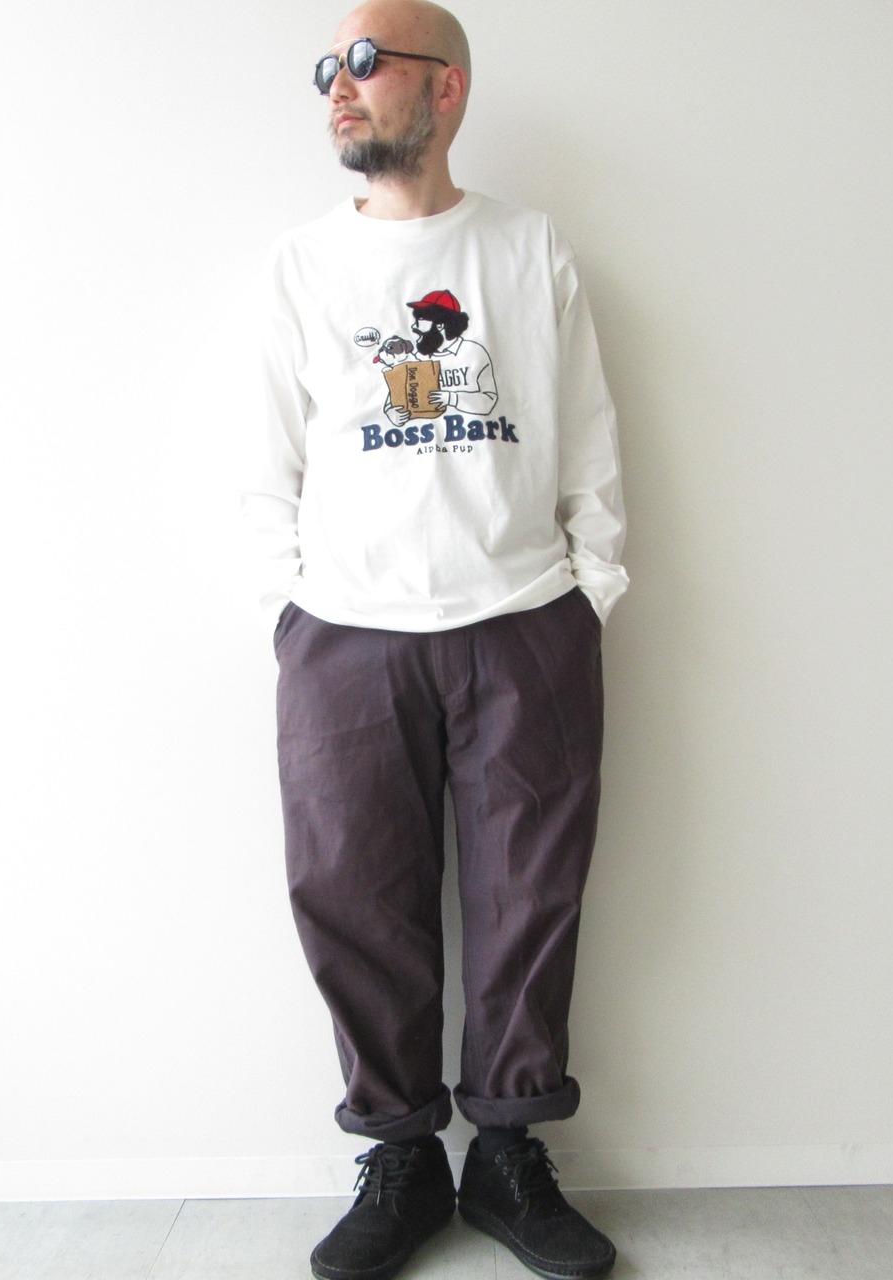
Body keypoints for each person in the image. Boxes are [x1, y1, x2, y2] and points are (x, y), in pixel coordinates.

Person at [243, 3, 628, 1277]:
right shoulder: (300, 265)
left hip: (521, 624)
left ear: (446, 88)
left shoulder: (528, 248)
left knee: (529, 900)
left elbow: (586, 435)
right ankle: (400, 1156)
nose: (338, 86)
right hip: (345, 638)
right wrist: (289, 610)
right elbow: (262, 465)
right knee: (353, 897)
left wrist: (587, 592)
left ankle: (505, 1155)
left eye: (366, 62)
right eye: (327, 67)